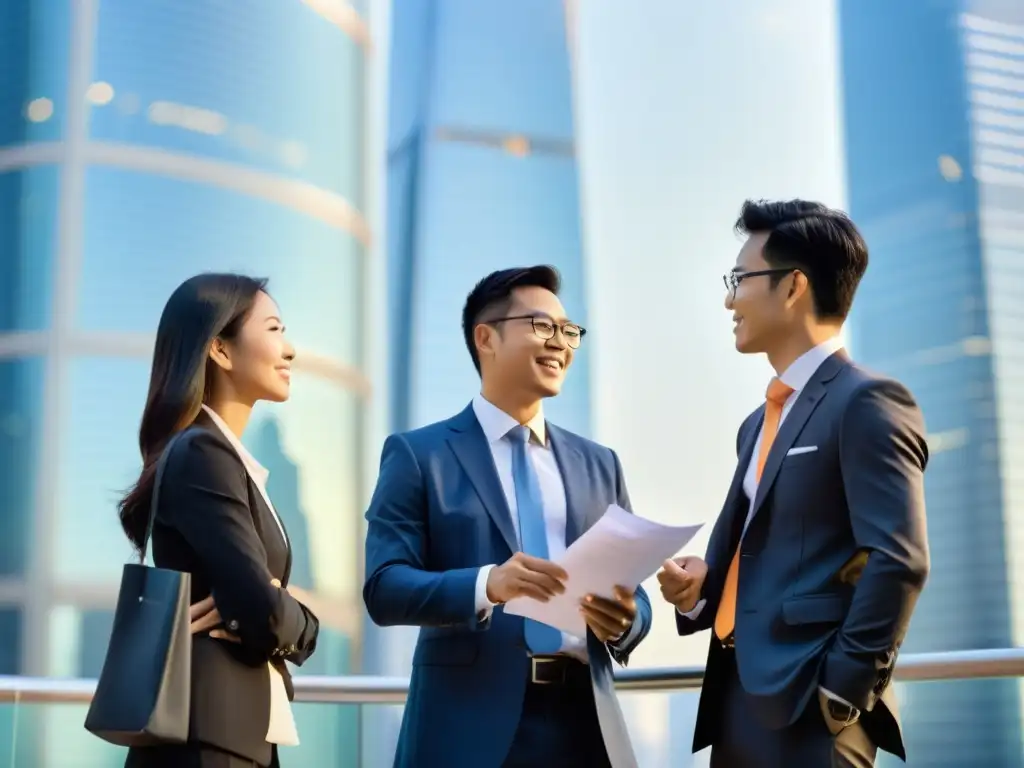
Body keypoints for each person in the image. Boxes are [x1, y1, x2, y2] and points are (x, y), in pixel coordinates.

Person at [657, 200, 929, 766]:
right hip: (737, 700)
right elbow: (769, 550)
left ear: (793, 287)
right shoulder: (756, 424)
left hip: (813, 707)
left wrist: (843, 694)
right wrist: (703, 587)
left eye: (740, 279)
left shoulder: (868, 401)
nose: (729, 300)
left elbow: (898, 560)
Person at [363, 266, 652, 768]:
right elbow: (384, 588)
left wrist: (627, 620)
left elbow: (634, 591)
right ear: (486, 338)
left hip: (586, 727)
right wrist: (487, 585)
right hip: (466, 729)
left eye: (569, 331)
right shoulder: (418, 455)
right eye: (542, 326)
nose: (560, 343)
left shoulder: (598, 463)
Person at [119, 273, 319, 768]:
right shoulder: (203, 451)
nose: (289, 349)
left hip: (231, 735)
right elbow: (260, 609)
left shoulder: (222, 457)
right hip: (207, 742)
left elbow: (263, 608)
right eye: (273, 329)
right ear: (221, 351)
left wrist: (278, 606)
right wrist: (296, 616)